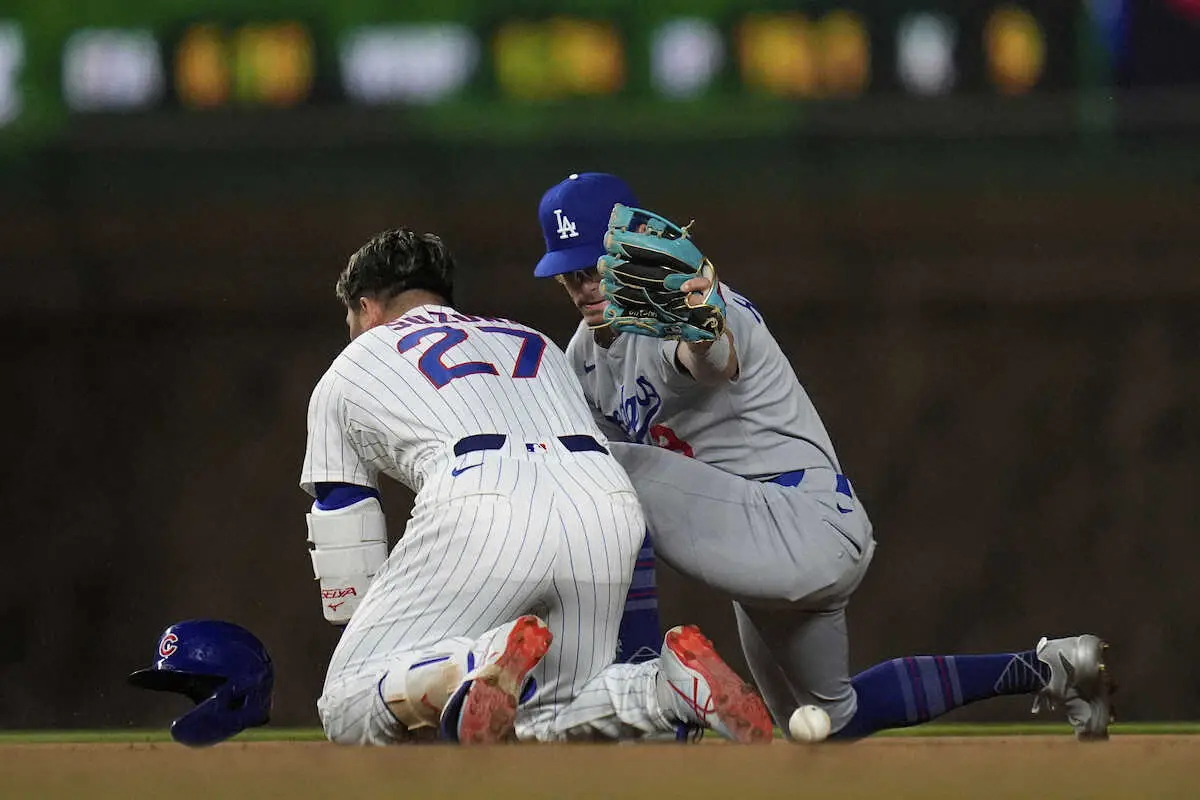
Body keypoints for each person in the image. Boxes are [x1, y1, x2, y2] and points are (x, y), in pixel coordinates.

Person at [532, 172, 1113, 741]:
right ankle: (1058, 668)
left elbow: (711, 361)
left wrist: (703, 327)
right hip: (763, 541)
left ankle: (641, 684)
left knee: (602, 468)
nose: (584, 287)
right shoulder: (583, 356)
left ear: (633, 252)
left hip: (798, 520)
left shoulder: (688, 309)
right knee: (827, 724)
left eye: (593, 268)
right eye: (569, 274)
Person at [300, 227, 774, 745]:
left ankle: (473, 663)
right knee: (546, 716)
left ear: (367, 308)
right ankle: (667, 689)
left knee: (348, 699)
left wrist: (383, 639)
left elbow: (348, 544)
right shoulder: (534, 341)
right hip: (604, 506)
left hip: (483, 505)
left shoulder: (354, 361)